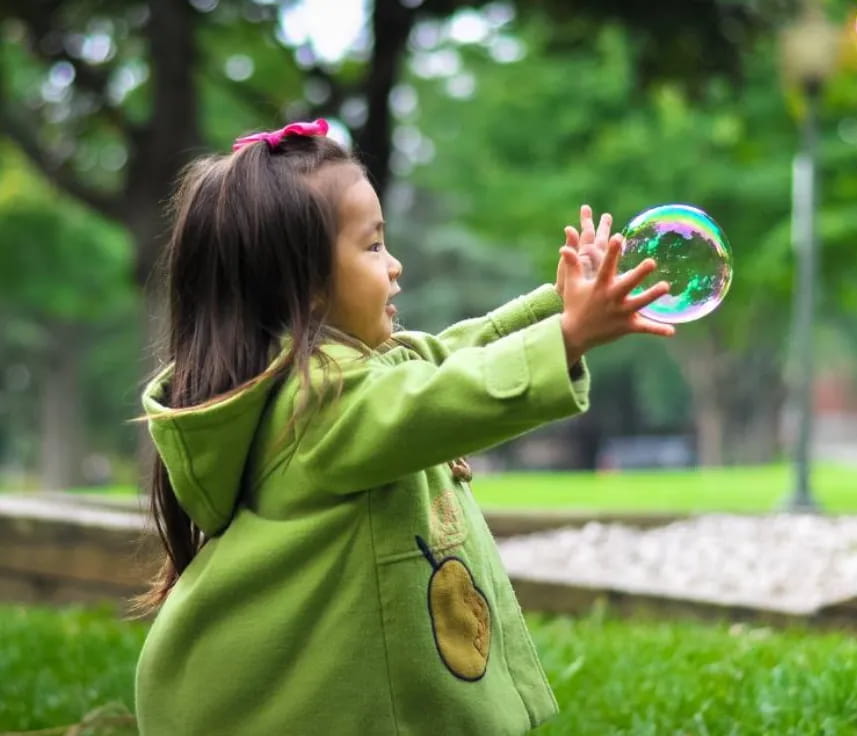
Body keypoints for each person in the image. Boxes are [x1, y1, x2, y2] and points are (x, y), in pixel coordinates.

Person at [133, 120, 674, 735]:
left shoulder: (341, 378)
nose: (395, 267)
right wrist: (569, 336)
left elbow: (442, 357)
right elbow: (440, 396)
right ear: (306, 288)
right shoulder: (318, 405)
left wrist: (556, 305)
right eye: (371, 247)